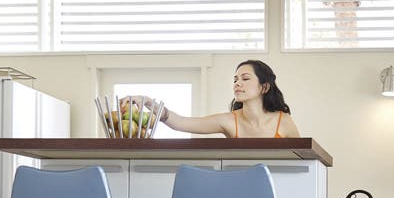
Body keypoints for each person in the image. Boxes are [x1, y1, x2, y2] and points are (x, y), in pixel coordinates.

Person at [121, 60, 300, 138]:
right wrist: (148, 102)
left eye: (245, 79)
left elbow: (301, 162)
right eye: (235, 80)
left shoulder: (283, 121)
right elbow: (181, 123)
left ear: (264, 87)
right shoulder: (229, 121)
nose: (237, 83)